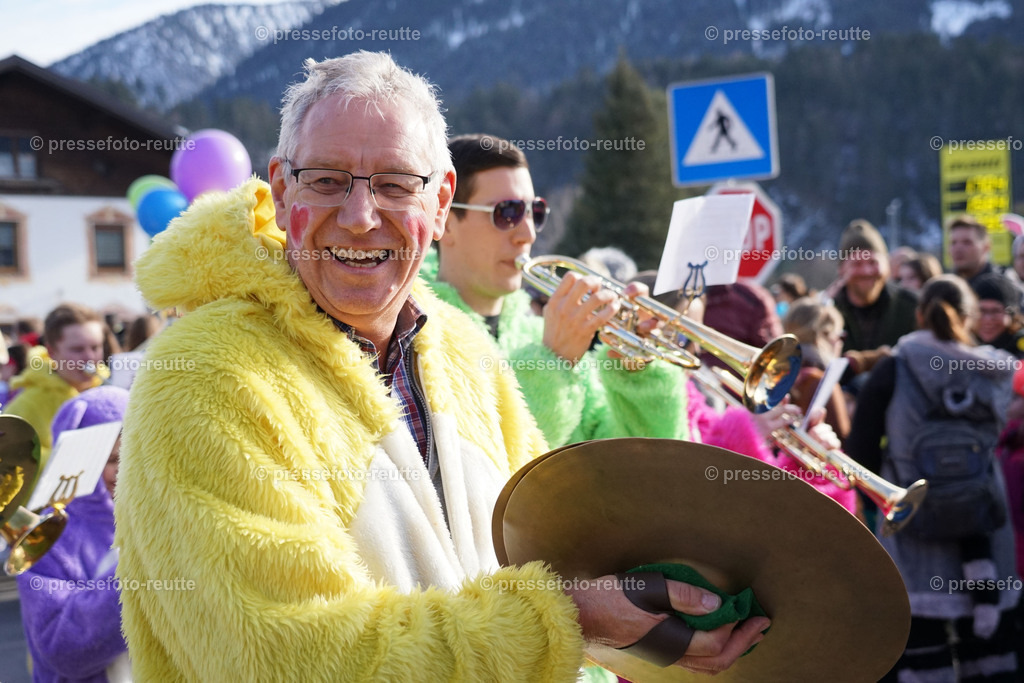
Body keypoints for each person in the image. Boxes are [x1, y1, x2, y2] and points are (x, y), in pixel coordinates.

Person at [114, 52, 767, 681]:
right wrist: (571, 616)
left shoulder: (460, 346)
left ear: (438, 199)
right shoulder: (200, 374)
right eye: (327, 180)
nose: (361, 217)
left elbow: (549, 554)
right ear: (282, 190)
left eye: (396, 185)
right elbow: (285, 656)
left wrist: (672, 611)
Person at [429, 134, 690, 447]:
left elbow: (623, 465)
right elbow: (485, 472)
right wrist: (553, 362)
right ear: (443, 219)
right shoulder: (417, 338)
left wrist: (638, 376)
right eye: (506, 212)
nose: (526, 233)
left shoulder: (538, 331)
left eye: (534, 212)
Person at [847, 275, 1021, 681]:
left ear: (920, 314)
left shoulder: (896, 367)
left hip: (915, 520)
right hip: (984, 519)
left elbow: (861, 451)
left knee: (922, 645)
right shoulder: (992, 370)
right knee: (991, 651)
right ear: (970, 317)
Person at [16, 386, 131, 683]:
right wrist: (138, 578)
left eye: (133, 455)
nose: (124, 472)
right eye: (112, 460)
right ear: (81, 462)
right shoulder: (44, 536)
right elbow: (62, 650)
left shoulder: (154, 518)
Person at [2, 303, 106, 468]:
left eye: (95, 347)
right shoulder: (26, 405)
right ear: (51, 351)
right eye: (77, 349)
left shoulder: (106, 392)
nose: (90, 357)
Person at [832, 220, 918, 381]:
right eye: (857, 264)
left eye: (873, 262)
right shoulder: (828, 313)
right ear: (841, 269)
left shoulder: (911, 306)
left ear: (887, 265)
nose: (866, 271)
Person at [782, 298, 851, 440]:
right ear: (824, 335)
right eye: (839, 336)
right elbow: (843, 439)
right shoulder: (821, 381)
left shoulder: (779, 371)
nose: (840, 343)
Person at [972, 274, 1024, 358]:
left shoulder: (1020, 349)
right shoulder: (963, 345)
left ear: (1012, 314)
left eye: (996, 311)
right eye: (981, 311)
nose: (988, 319)